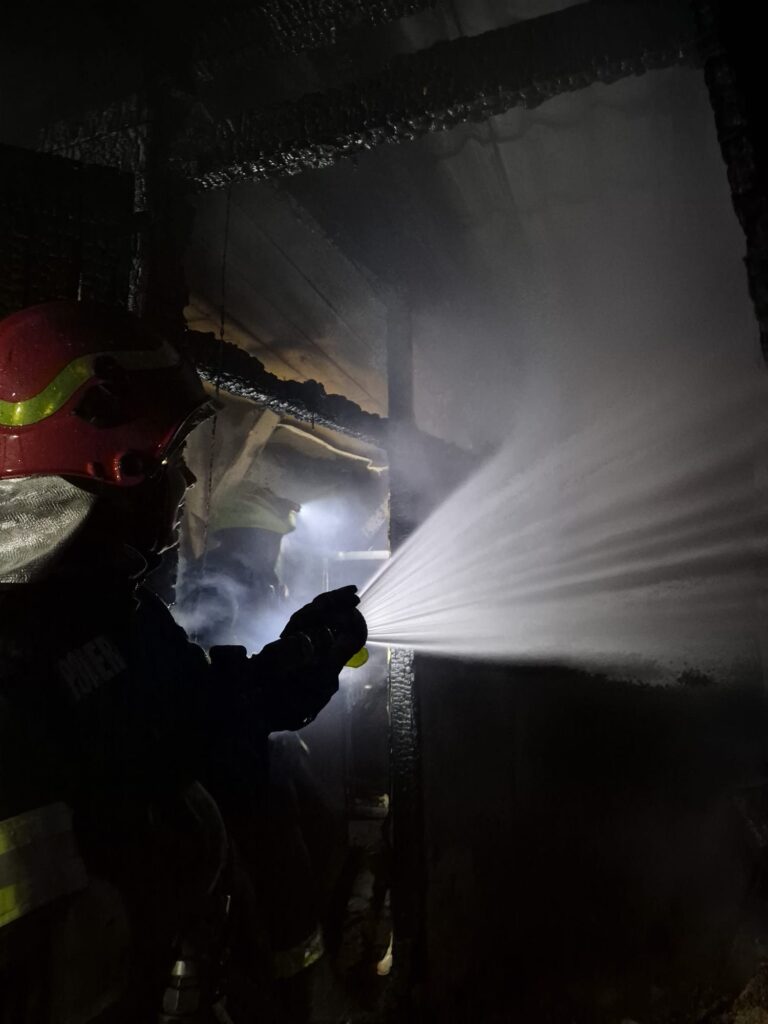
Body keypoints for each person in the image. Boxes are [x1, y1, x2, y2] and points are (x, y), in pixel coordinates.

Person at [0, 300, 367, 1023]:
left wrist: (291, 664)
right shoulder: (17, 657)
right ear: (117, 468)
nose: (187, 484)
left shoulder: (115, 610)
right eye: (170, 460)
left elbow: (192, 720)